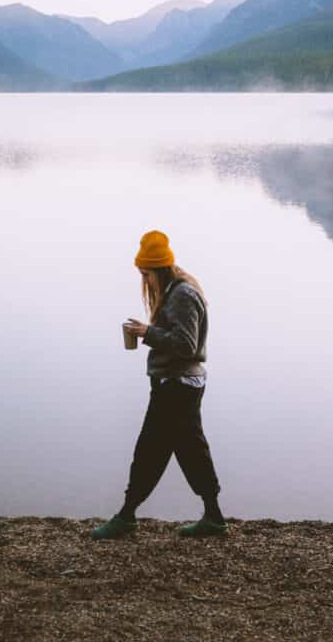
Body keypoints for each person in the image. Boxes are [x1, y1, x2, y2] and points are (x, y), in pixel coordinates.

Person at [92, 230, 226, 540]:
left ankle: (126, 516)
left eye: (145, 274)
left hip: (177, 385)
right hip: (179, 384)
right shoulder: (178, 289)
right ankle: (213, 516)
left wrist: (146, 333)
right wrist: (151, 331)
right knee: (189, 448)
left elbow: (187, 344)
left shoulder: (181, 295)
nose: (144, 280)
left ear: (158, 269)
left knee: (151, 449)